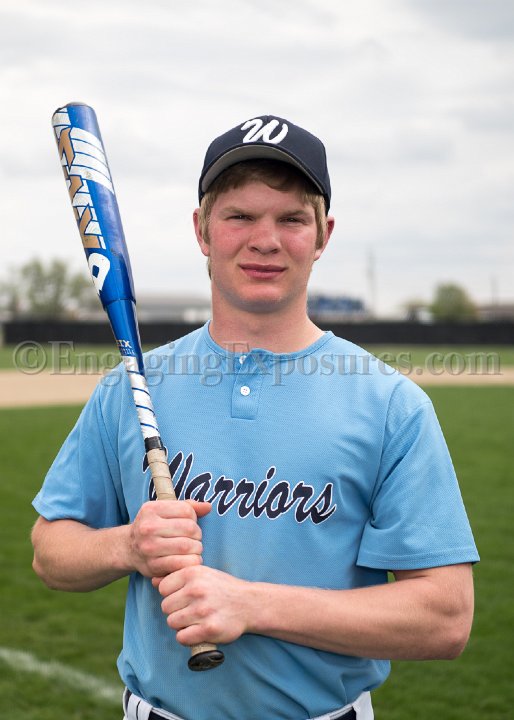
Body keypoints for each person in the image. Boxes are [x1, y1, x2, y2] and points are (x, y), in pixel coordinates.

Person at [32, 115, 479, 720]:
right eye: (239, 216)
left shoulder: (390, 404)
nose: (265, 240)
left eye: (292, 219)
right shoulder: (133, 387)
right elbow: (51, 551)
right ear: (202, 230)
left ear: (323, 236)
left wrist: (252, 605)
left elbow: (445, 617)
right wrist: (127, 545)